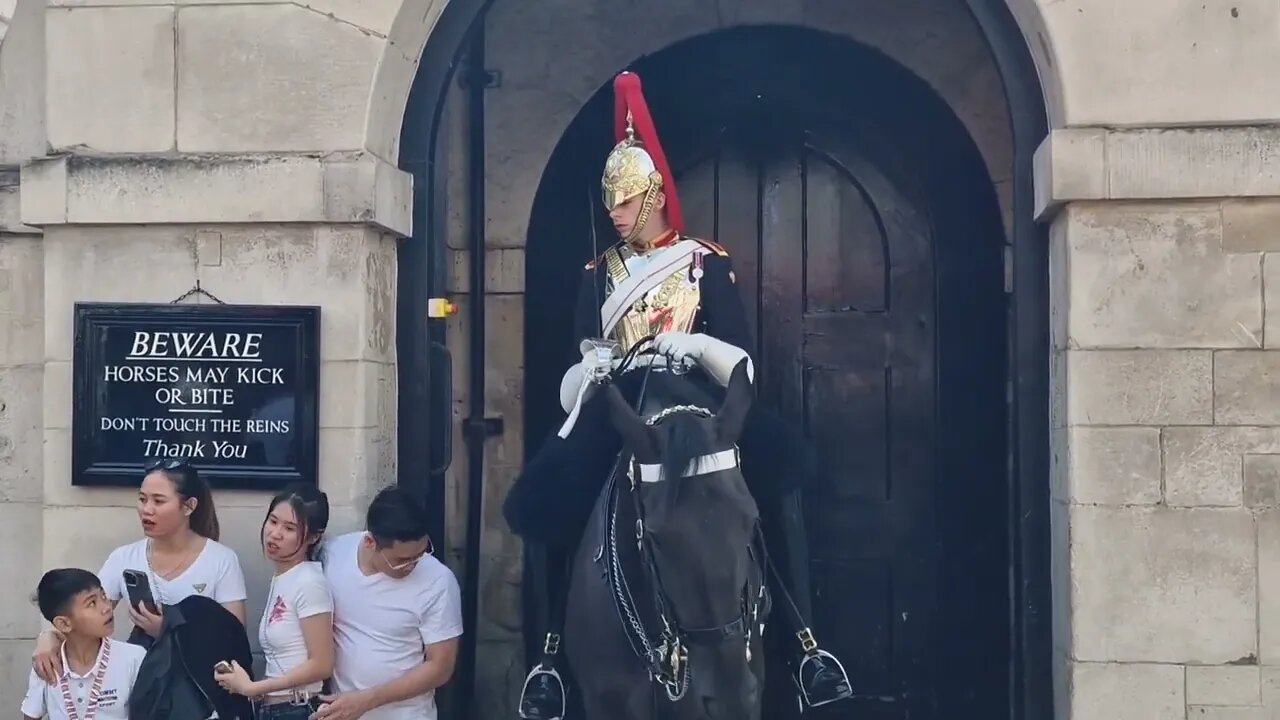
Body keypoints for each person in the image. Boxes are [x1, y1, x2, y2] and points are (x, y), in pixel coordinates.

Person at [510, 71, 853, 720]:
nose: (614, 213)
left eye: (625, 200)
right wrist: (595, 364)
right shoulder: (597, 274)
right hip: (621, 404)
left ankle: (808, 646)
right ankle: (550, 656)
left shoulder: (702, 260)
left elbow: (742, 355)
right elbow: (577, 360)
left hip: (699, 398)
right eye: (609, 202)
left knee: (781, 473)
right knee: (543, 497)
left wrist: (694, 349)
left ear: (654, 195)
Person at [31, 459, 248, 681]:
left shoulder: (221, 559)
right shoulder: (124, 558)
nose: (147, 510)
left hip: (200, 686)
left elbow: (234, 636)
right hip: (144, 685)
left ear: (189, 506)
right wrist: (49, 637)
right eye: (142, 499)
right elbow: (83, 616)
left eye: (158, 501)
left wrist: (169, 631)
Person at [309, 485, 463, 720]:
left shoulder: (438, 581)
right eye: (402, 560)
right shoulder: (332, 555)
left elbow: (440, 667)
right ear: (370, 542)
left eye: (420, 554)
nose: (412, 565)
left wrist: (367, 700)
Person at [215, 483, 334, 718]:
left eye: (289, 528)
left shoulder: (309, 582)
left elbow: (322, 663)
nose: (275, 533)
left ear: (313, 537)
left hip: (298, 708)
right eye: (273, 521)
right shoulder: (284, 576)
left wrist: (253, 688)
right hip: (275, 709)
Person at [21, 568, 148, 720]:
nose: (107, 607)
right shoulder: (48, 663)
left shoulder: (133, 658)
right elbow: (30, 716)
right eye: (92, 603)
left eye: (104, 596)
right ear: (64, 624)